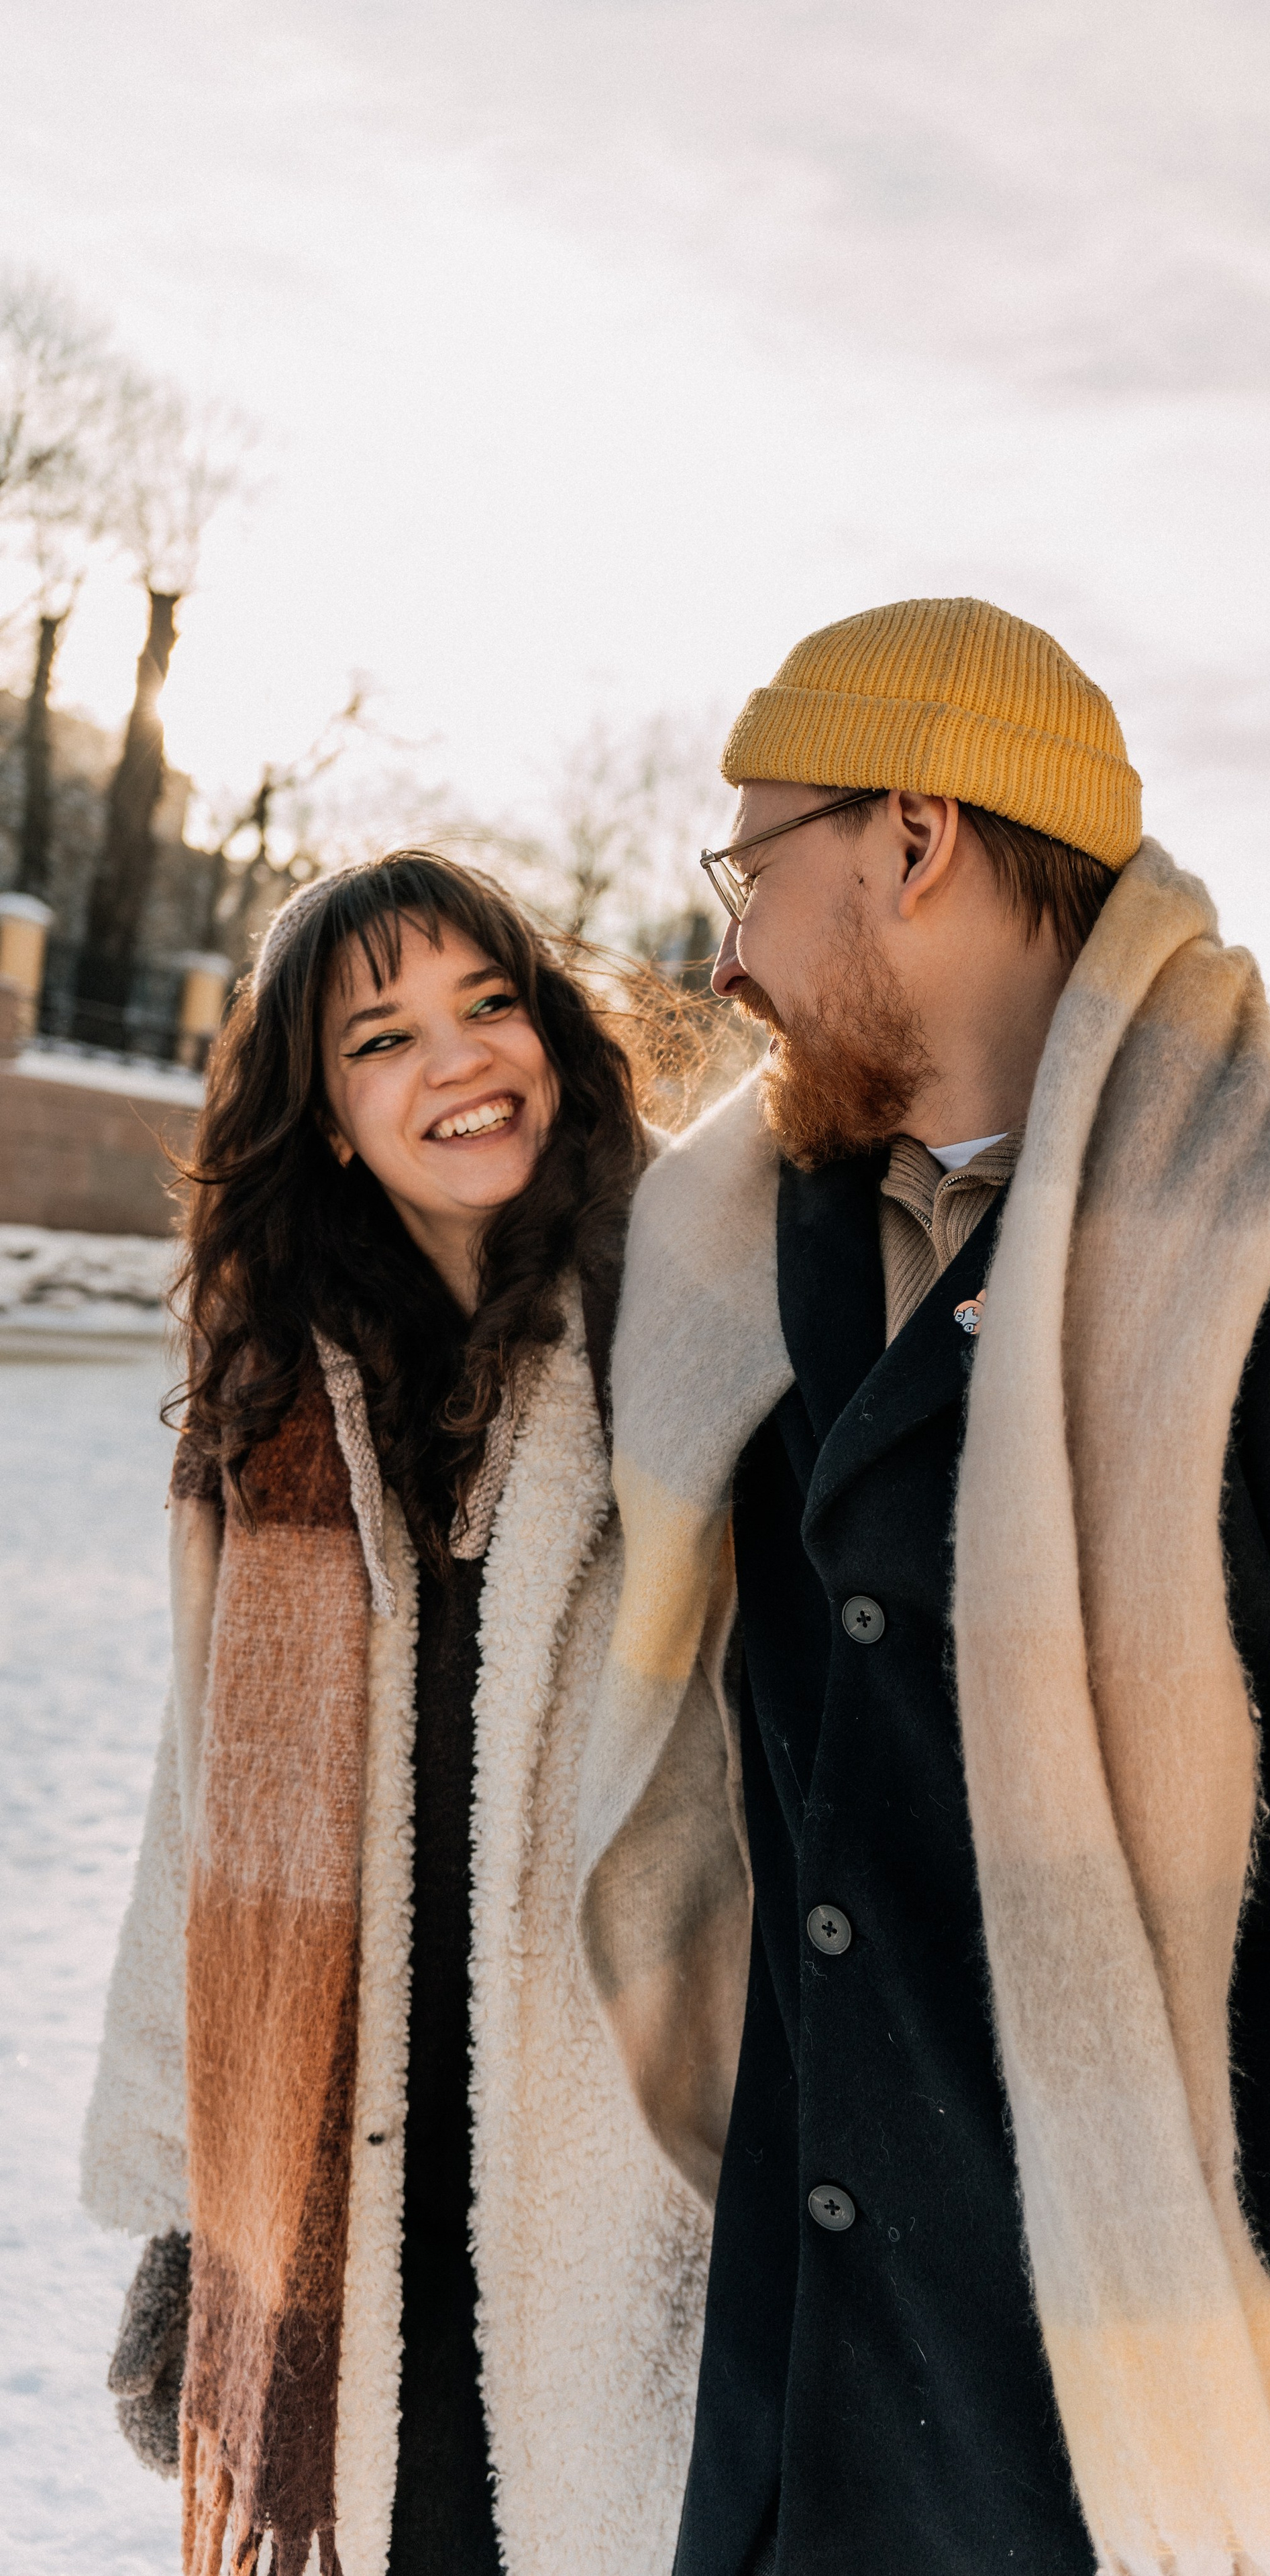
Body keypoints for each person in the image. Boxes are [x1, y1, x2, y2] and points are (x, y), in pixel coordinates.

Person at [576, 598, 1270, 2576]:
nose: (727, 950)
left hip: (1218, 2462)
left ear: (913, 842)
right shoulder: (755, 1243)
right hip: (833, 2424)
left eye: (751, 868)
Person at [83, 851, 710, 2576]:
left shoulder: (693, 1322)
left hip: (626, 2173)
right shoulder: (273, 1388)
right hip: (353, 2164)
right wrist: (198, 2211)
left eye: (489, 1002)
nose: (459, 1059)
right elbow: (199, 1807)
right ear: (323, 1110)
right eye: (384, 1036)